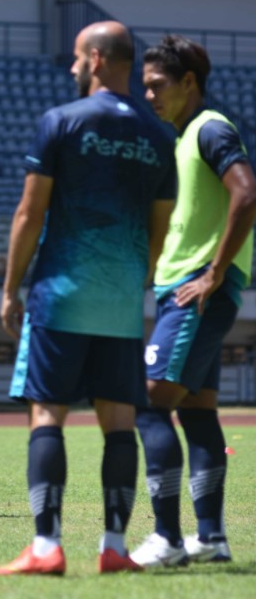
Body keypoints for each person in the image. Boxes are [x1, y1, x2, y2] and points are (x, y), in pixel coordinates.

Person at [0, 21, 177, 576]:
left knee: (47, 413)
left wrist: (10, 288)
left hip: (61, 296)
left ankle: (46, 546)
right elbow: (161, 227)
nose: (72, 67)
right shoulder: (158, 133)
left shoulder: (62, 121)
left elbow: (30, 213)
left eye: (77, 58)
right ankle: (115, 547)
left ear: (96, 58)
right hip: (121, 303)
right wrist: (136, 281)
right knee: (119, 421)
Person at [130, 36, 256, 567]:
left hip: (197, 292)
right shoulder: (184, 137)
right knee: (197, 411)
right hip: (184, 289)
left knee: (147, 399)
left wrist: (213, 273)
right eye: (145, 87)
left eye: (158, 86)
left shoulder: (209, 128)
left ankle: (167, 539)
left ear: (189, 83)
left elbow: (246, 192)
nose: (150, 96)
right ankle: (210, 538)